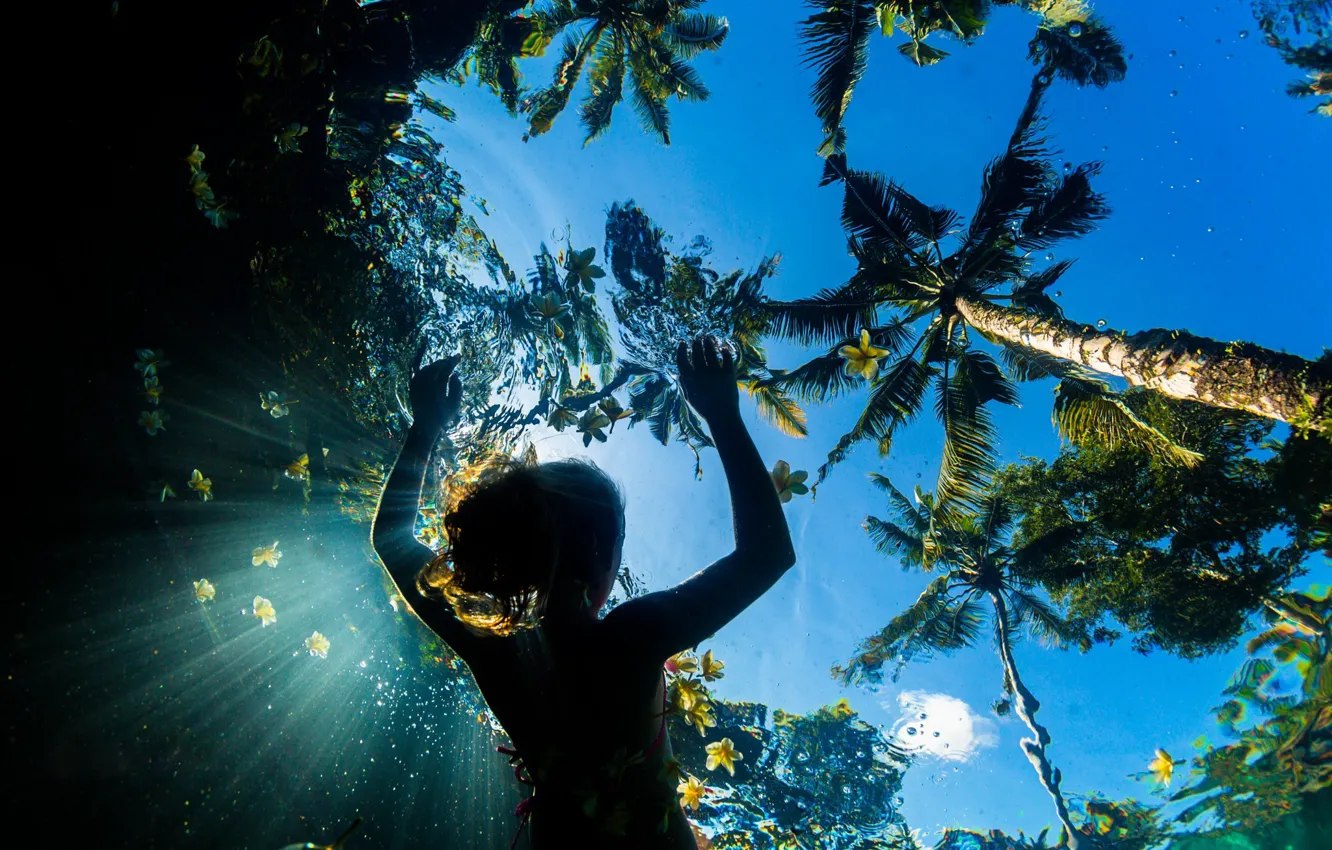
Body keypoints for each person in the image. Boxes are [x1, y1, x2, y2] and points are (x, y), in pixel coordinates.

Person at [371, 336, 797, 849]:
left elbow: (392, 540)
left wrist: (425, 427)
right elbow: (767, 555)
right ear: (600, 549)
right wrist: (723, 415)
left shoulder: (500, 652)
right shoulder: (631, 638)